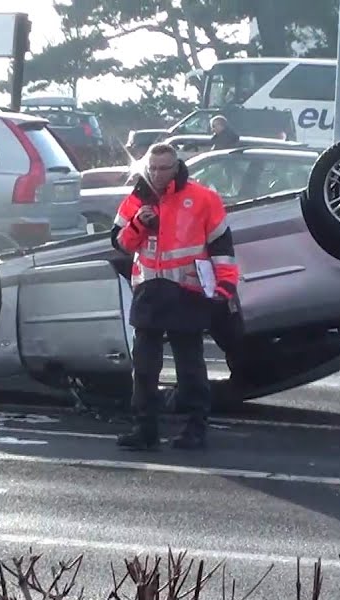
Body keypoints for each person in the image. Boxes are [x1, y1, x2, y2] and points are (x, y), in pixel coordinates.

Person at [112, 142, 240, 451]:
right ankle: (145, 429)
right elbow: (120, 244)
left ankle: (195, 428)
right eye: (152, 168)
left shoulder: (203, 199)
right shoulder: (137, 199)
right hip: (149, 292)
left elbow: (222, 247)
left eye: (163, 168)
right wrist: (138, 223)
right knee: (143, 367)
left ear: (177, 167)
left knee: (190, 366)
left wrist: (225, 287)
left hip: (187, 292)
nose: (156, 174)